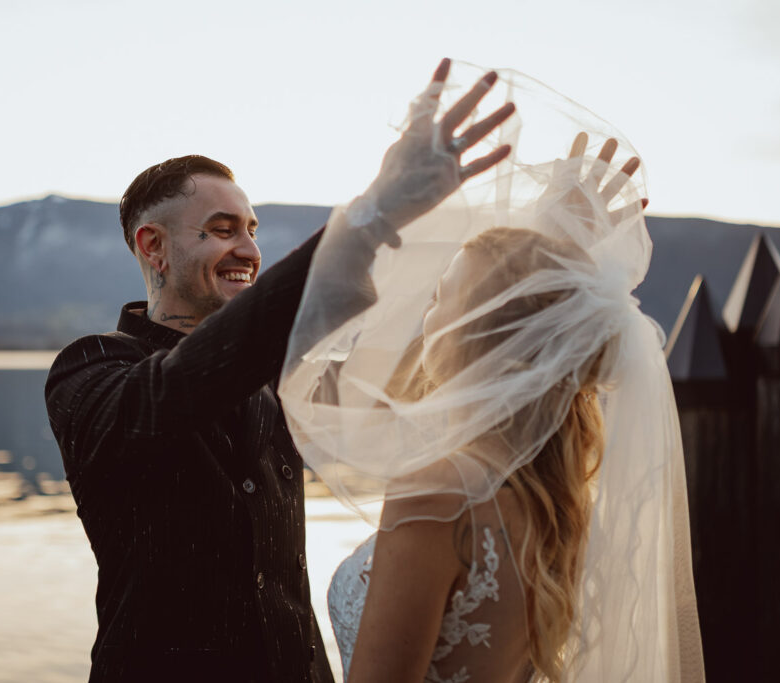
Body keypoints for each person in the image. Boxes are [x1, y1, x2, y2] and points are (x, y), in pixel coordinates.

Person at [44, 59, 515, 682]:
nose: (248, 249)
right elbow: (181, 387)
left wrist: (553, 268)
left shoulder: (285, 372)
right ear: (152, 246)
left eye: (251, 229)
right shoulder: (93, 372)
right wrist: (369, 217)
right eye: (220, 230)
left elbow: (432, 374)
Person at [279, 65, 704, 682]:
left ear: (473, 333)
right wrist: (552, 250)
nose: (427, 313)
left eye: (443, 295)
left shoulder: (436, 495)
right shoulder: (556, 498)